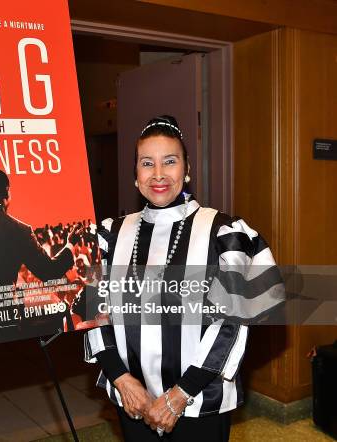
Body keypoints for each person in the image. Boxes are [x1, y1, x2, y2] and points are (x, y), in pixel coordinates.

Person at [84, 116, 284, 441]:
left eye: (170, 161)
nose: (159, 174)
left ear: (186, 169)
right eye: (147, 163)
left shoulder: (225, 234)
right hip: (133, 397)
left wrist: (180, 394)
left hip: (198, 400)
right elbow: (92, 314)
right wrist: (121, 379)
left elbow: (234, 322)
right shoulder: (109, 235)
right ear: (136, 175)